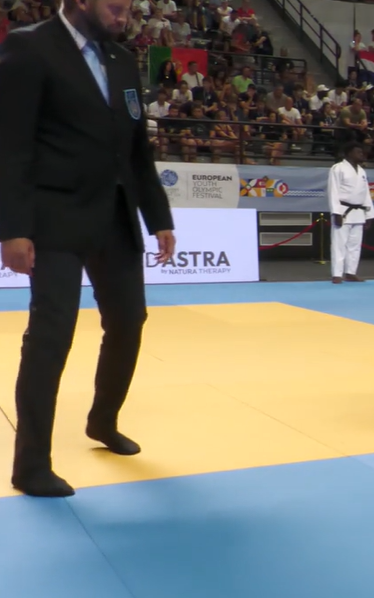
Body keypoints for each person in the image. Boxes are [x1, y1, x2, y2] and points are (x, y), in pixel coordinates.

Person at [0, 0, 177, 497]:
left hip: (115, 217)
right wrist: (12, 228)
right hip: (54, 218)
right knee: (51, 336)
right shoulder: (30, 48)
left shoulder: (121, 60)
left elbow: (136, 149)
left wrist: (158, 217)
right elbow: (10, 146)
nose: (125, 15)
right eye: (116, 6)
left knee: (129, 320)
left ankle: (103, 419)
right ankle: (31, 464)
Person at [327, 142, 374, 284]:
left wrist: (369, 215)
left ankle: (350, 272)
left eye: (361, 152)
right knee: (339, 244)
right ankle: (337, 274)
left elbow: (366, 194)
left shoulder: (362, 171)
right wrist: (336, 212)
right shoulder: (338, 168)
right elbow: (333, 191)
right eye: (358, 152)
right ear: (349, 153)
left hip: (359, 212)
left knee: (355, 245)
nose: (361, 154)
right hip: (343, 211)